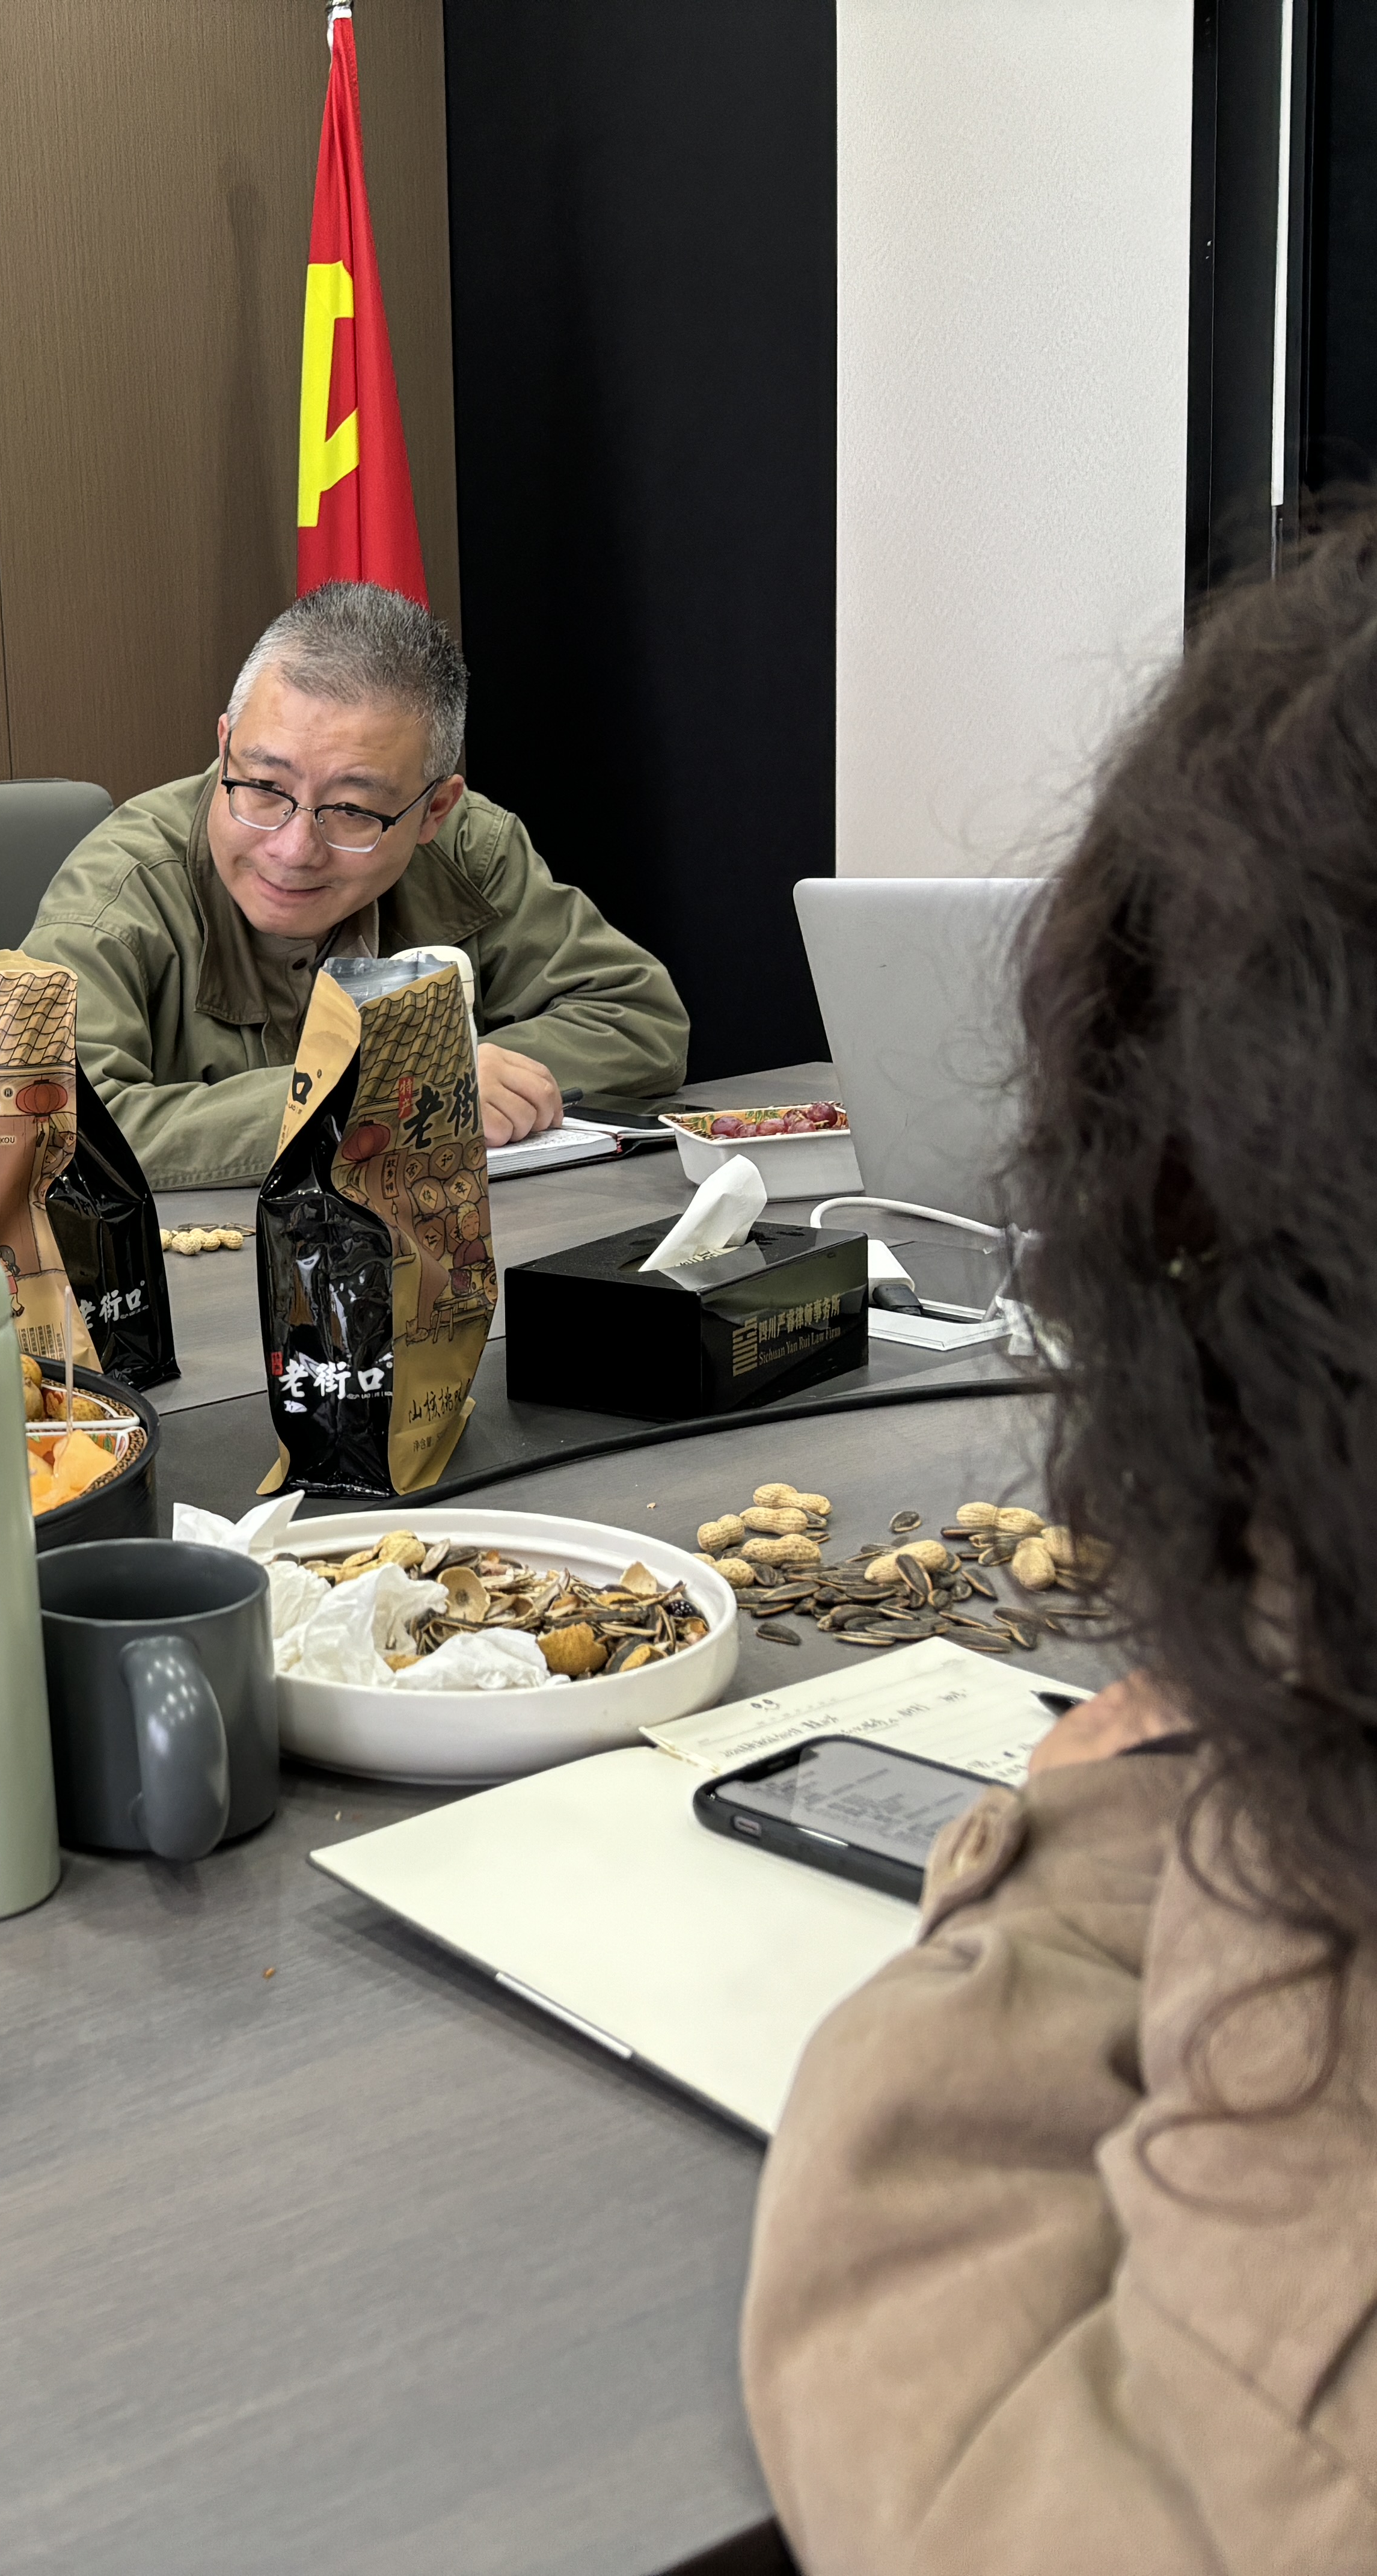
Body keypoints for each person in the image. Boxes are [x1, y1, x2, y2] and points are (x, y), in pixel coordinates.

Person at [738, 517, 1377, 2568]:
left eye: (356, 798)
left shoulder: (479, 867)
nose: (300, 833)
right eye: (264, 787)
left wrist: (1105, 1852)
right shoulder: (137, 881)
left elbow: (1049, 2490)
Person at [20, 582, 688, 1188]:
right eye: (264, 787)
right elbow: (50, 1125)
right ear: (225, 749)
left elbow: (637, 1022)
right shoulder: (117, 893)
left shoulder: (470, 850)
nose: (293, 850)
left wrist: (457, 1076)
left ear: (434, 810)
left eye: (353, 810)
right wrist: (392, 1090)